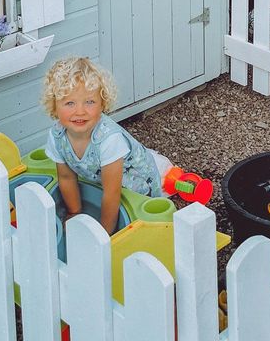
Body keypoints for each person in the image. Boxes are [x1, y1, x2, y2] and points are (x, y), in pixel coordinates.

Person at [41, 56, 172, 234]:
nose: (80, 111)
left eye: (90, 102)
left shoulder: (109, 140)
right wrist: (74, 212)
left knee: (139, 225)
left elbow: (111, 194)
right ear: (55, 106)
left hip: (134, 182)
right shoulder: (56, 136)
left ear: (102, 103)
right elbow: (66, 177)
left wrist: (104, 233)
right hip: (101, 176)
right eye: (69, 103)